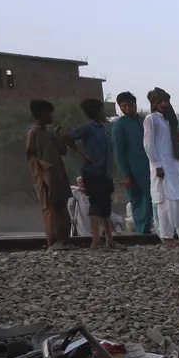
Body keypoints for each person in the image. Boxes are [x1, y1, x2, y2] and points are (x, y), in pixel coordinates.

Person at [142, 88, 179, 245]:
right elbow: (148, 144)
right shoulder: (151, 119)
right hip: (161, 166)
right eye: (161, 101)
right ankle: (167, 237)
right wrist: (157, 165)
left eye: (166, 101)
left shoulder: (168, 121)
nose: (164, 104)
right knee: (166, 203)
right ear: (154, 103)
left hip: (175, 164)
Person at [65, 98, 117, 249]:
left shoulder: (103, 129)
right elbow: (68, 137)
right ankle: (95, 241)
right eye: (102, 110)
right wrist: (82, 154)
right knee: (95, 205)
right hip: (93, 172)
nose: (104, 113)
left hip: (105, 173)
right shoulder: (88, 128)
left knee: (106, 206)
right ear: (97, 112)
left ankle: (109, 240)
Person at [25, 99, 74, 250]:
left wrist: (58, 134)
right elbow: (30, 155)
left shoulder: (49, 134)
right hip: (45, 179)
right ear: (43, 114)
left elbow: (63, 151)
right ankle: (52, 243)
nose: (52, 116)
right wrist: (40, 163)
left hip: (58, 176)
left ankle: (64, 240)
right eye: (50, 113)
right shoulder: (33, 133)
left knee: (62, 209)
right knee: (50, 210)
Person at [111, 92, 153, 234]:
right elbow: (119, 151)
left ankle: (152, 230)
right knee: (138, 201)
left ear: (135, 104)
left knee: (151, 200)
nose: (128, 108)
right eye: (124, 106)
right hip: (133, 170)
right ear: (120, 108)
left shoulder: (144, 121)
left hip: (150, 168)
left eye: (130, 105)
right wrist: (126, 174)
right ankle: (142, 232)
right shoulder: (119, 126)